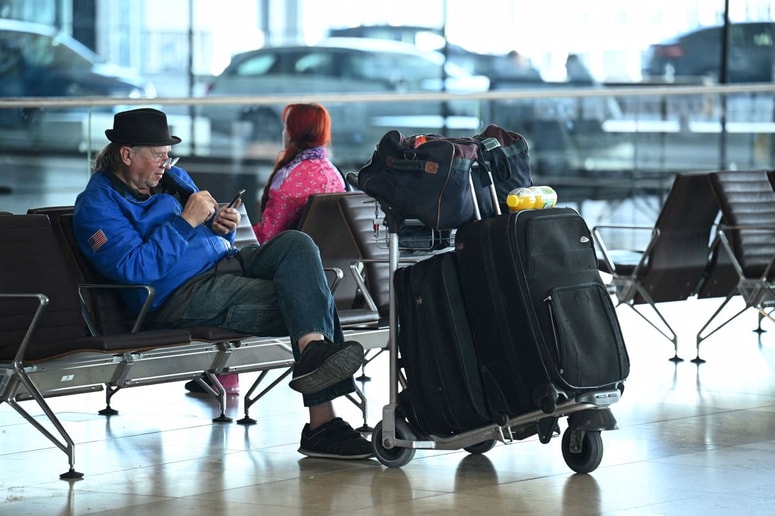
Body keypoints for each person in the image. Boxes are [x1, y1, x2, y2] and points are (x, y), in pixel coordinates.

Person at [72, 107, 373, 459]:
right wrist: (186, 222)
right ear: (126, 155)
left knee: (297, 243)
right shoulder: (96, 207)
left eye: (168, 156)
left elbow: (204, 224)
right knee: (306, 295)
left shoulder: (173, 178)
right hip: (179, 296)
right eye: (157, 156)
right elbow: (134, 269)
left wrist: (218, 222)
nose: (164, 164)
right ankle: (322, 420)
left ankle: (312, 356)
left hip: (226, 263)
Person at [253, 102, 345, 243]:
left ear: (292, 134)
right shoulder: (336, 175)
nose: (284, 132)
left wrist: (233, 228)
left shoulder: (286, 177)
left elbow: (266, 237)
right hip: (329, 261)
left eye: (286, 127)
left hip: (290, 260)